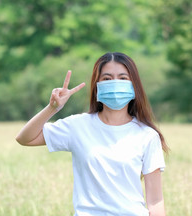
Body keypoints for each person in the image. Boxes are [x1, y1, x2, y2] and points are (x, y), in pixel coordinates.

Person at [16, 52, 169, 216]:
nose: (115, 83)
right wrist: (52, 108)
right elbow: (25, 138)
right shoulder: (78, 125)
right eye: (107, 79)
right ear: (97, 86)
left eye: (123, 78)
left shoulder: (147, 135)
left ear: (134, 85)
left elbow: (155, 202)